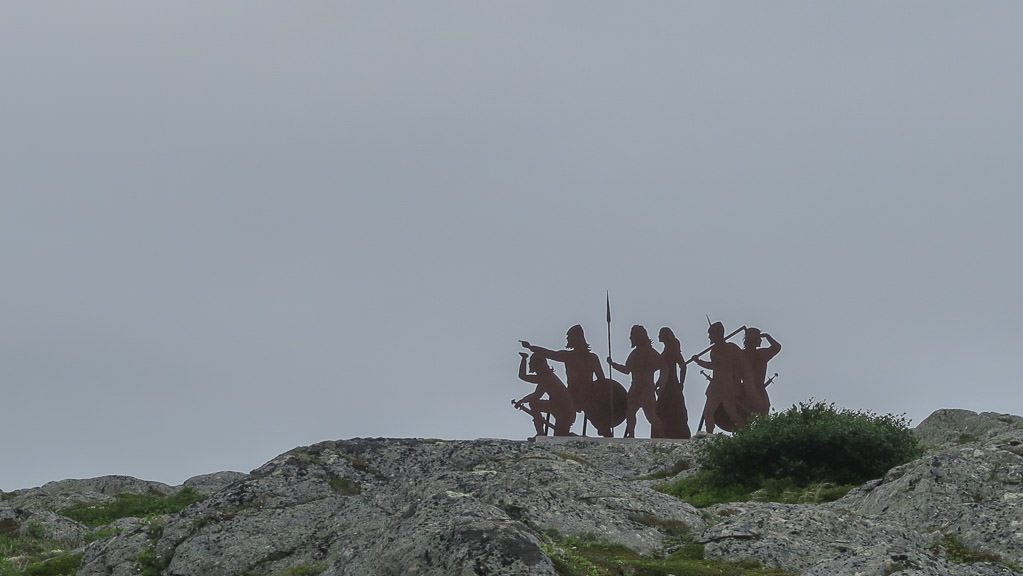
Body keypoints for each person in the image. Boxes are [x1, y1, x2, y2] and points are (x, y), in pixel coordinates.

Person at [521, 325, 612, 436]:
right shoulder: (568, 356)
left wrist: (602, 397)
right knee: (561, 430)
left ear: (577, 338)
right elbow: (550, 354)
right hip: (571, 395)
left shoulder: (591, 358)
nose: (568, 340)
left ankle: (605, 432)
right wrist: (531, 347)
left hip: (587, 396)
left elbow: (601, 380)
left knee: (599, 422)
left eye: (569, 337)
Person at [691, 322, 753, 434]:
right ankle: (709, 434)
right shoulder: (714, 351)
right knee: (708, 413)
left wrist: (699, 362)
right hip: (716, 386)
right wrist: (699, 361)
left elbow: (716, 366)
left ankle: (744, 431)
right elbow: (715, 366)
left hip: (727, 386)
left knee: (731, 412)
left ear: (718, 334)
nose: (709, 337)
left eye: (711, 334)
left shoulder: (730, 348)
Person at [607, 325, 663, 438]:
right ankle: (631, 434)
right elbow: (627, 370)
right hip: (637, 388)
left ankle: (662, 434)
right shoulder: (637, 353)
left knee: (650, 415)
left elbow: (663, 366)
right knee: (631, 413)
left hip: (645, 388)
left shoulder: (649, 353)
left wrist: (659, 383)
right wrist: (613, 365)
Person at [515, 352, 576, 436]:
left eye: (531, 363)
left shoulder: (546, 378)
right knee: (534, 404)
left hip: (564, 412)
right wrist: (522, 400)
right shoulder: (546, 377)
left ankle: (541, 433)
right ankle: (540, 433)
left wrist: (524, 358)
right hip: (561, 409)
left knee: (560, 436)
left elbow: (523, 377)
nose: (530, 364)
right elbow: (536, 395)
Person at [655, 327, 691, 439]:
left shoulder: (672, 351)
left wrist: (681, 383)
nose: (658, 336)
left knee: (671, 410)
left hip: (671, 385)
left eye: (660, 334)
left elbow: (683, 366)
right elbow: (664, 372)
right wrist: (656, 384)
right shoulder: (667, 351)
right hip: (667, 384)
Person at [742, 327, 781, 416]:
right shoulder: (761, 354)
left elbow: (777, 347)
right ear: (754, 340)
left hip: (750, 386)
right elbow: (777, 347)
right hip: (756, 388)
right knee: (764, 408)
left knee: (765, 407)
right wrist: (767, 336)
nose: (760, 340)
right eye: (759, 338)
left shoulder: (742, 354)